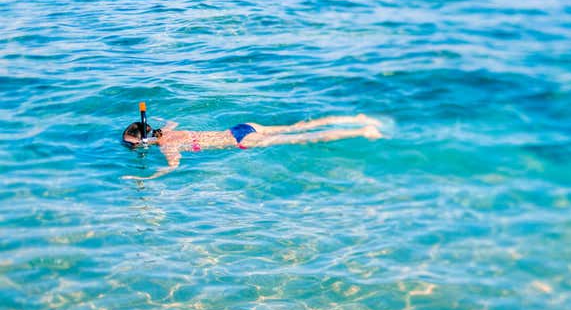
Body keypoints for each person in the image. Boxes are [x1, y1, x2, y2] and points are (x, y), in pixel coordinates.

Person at [121, 114, 383, 180]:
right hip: (242, 127)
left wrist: (148, 176)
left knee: (307, 138)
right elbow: (172, 121)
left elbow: (172, 168)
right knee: (296, 127)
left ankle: (362, 131)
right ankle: (356, 120)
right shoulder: (166, 131)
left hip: (241, 141)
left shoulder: (167, 147)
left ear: (145, 141)